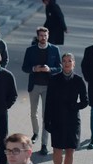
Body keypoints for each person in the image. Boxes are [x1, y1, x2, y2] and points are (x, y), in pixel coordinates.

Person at [44, 53, 88, 164]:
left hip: (72, 121)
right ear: (61, 63)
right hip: (57, 119)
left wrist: (75, 106)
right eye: (64, 61)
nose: (67, 63)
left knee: (70, 151)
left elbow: (85, 101)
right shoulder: (54, 79)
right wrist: (47, 121)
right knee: (57, 150)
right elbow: (48, 102)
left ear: (74, 64)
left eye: (70, 61)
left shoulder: (79, 80)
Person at [21, 26, 61, 155]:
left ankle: (44, 144)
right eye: (41, 35)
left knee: (46, 116)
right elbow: (24, 67)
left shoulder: (55, 49)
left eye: (45, 35)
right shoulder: (30, 50)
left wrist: (50, 69)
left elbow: (59, 67)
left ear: (48, 36)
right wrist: (34, 69)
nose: (43, 38)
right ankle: (36, 132)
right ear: (37, 37)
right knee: (33, 113)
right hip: (34, 86)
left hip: (49, 87)